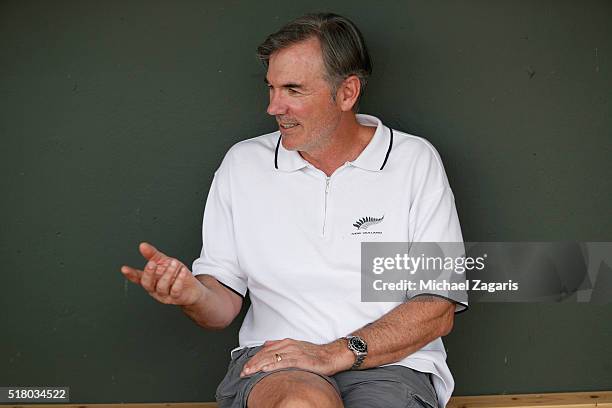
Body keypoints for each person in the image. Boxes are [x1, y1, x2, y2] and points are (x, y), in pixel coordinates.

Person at [121, 12, 467, 408]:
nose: (273, 106)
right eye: (270, 88)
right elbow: (221, 306)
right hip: (279, 364)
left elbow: (436, 306)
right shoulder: (243, 164)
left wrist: (336, 352)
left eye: (293, 90)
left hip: (389, 366)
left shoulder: (413, 161)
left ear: (347, 93)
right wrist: (192, 295)